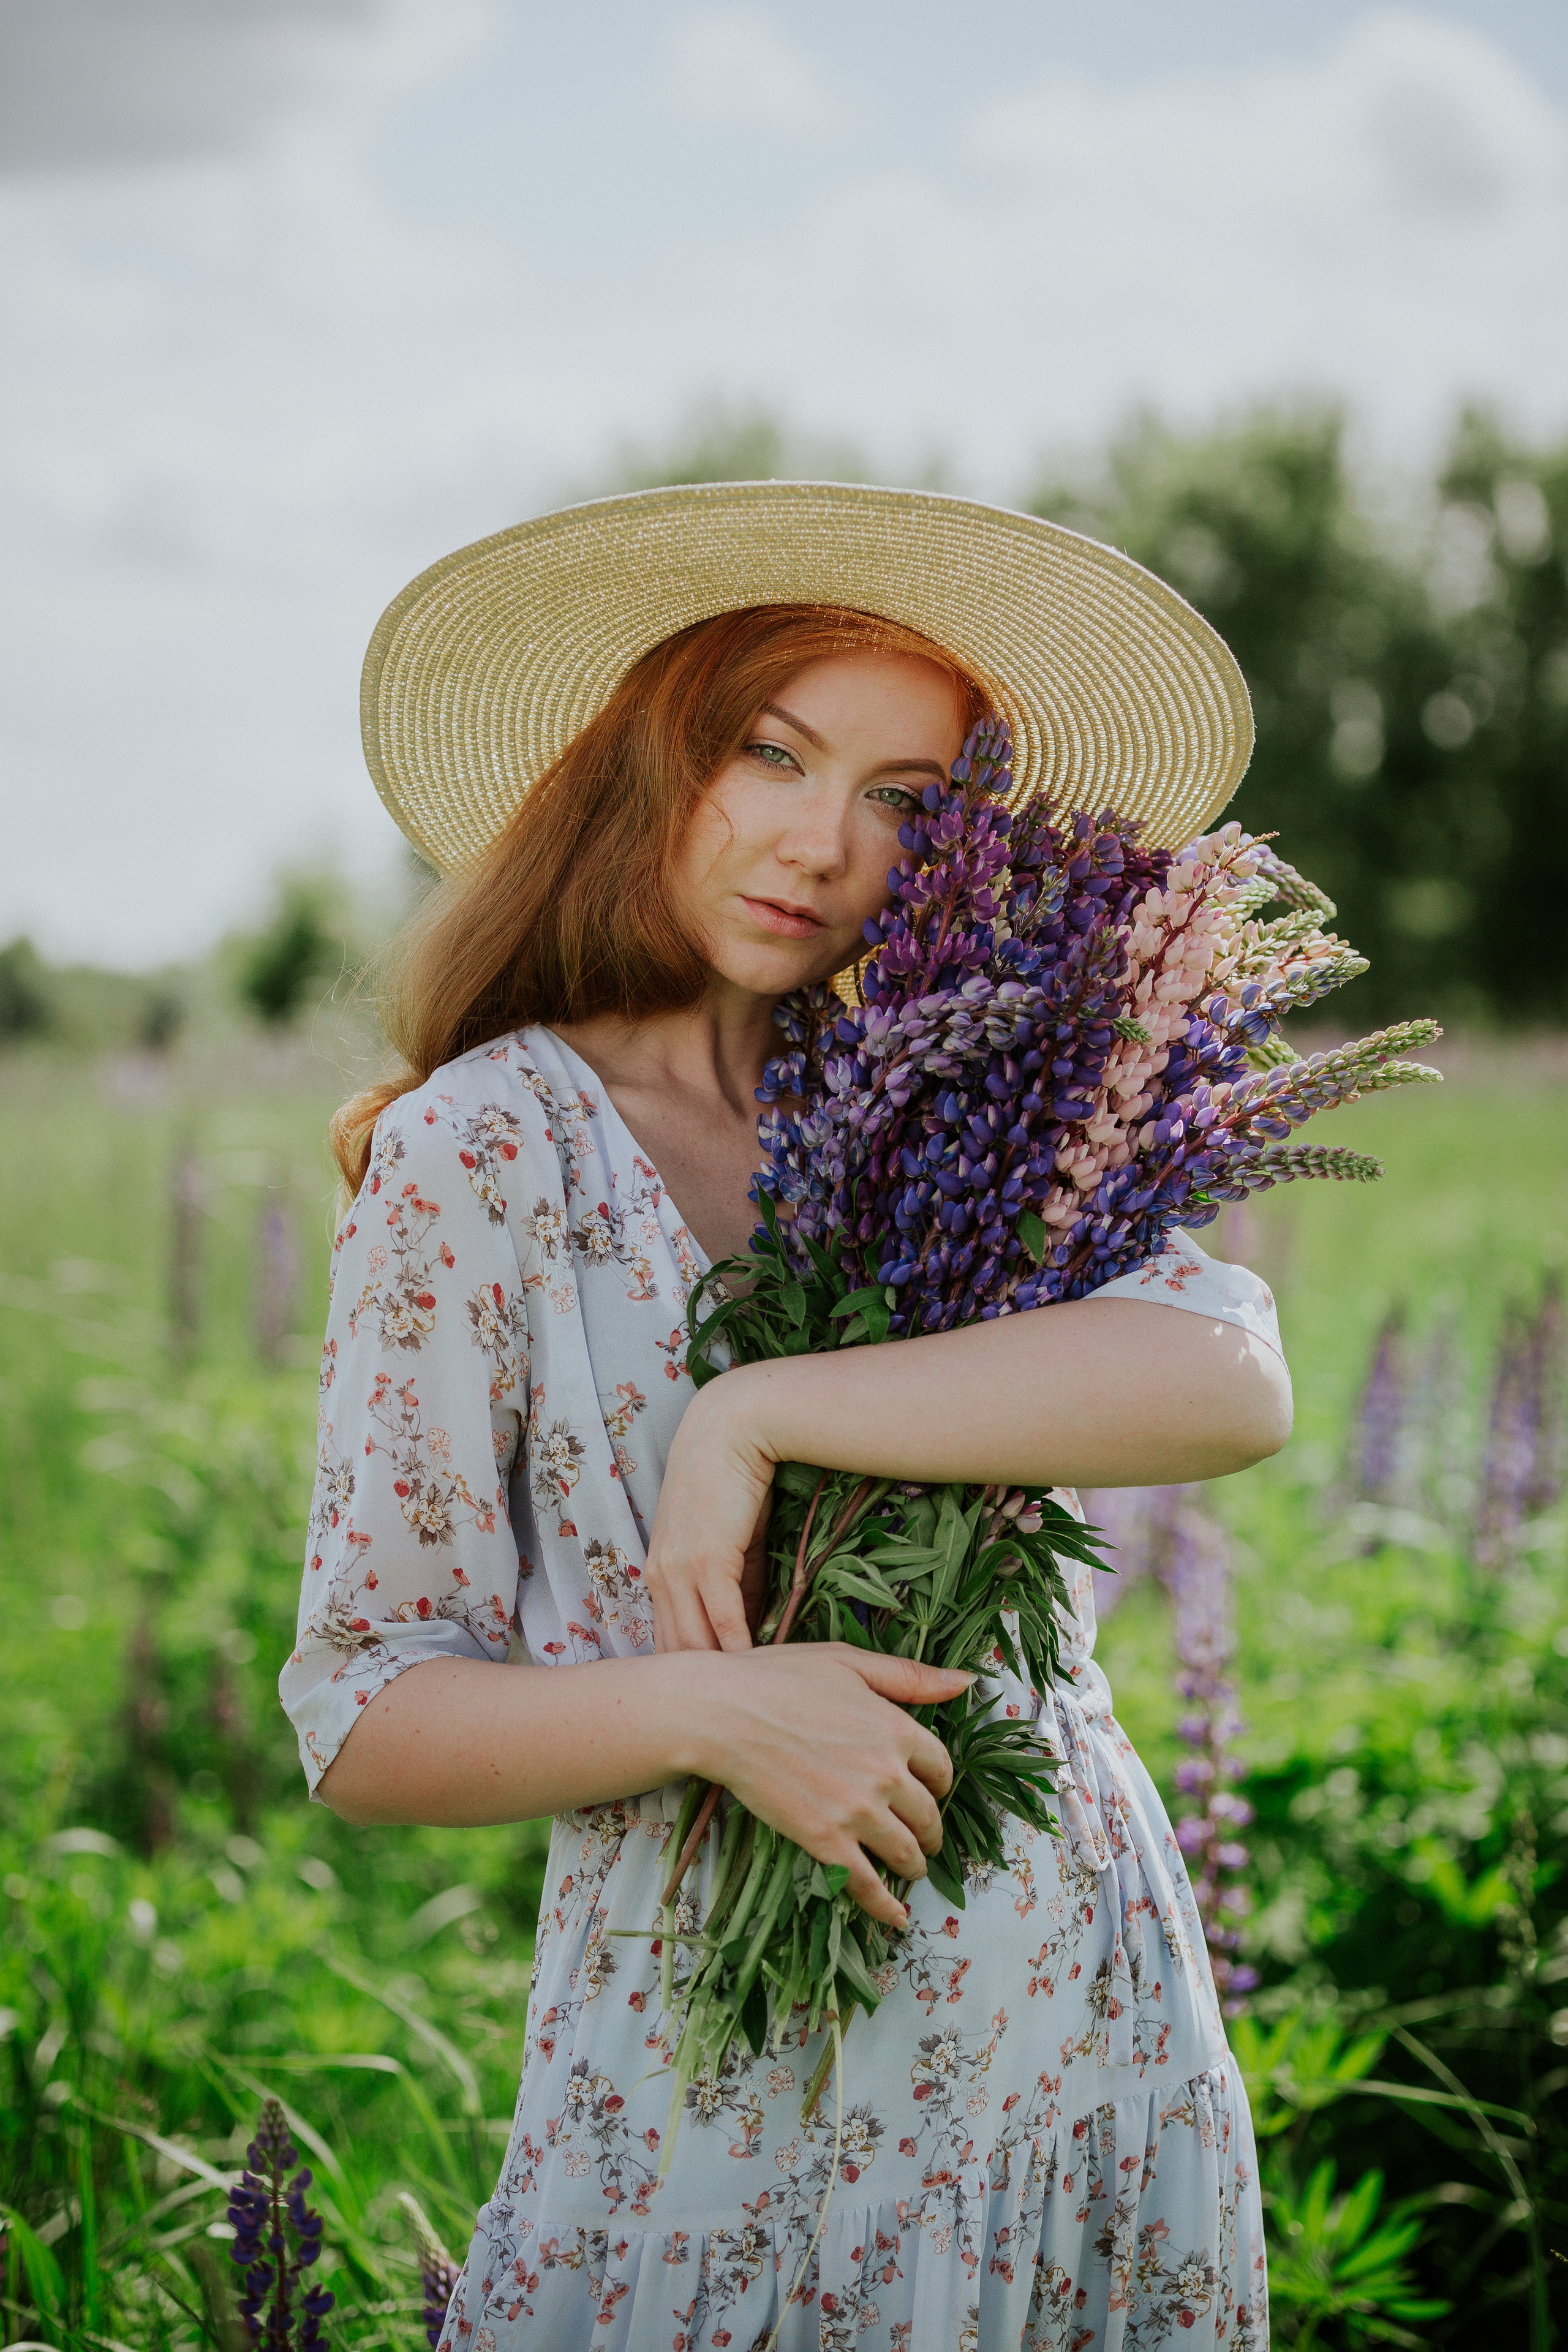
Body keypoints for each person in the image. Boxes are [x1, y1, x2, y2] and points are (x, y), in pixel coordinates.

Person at [284, 484, 1290, 2350]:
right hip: (710, 2086)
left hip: (1075, 2025)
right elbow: (365, 1712)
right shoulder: (481, 1151)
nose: (825, 841)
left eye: (908, 798)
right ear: (647, 761)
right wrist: (716, 1709)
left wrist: (748, 1412)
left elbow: (1230, 1381)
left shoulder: (977, 1109)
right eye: (773, 751)